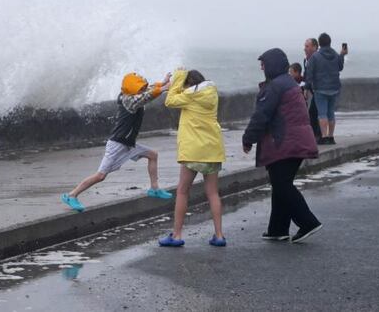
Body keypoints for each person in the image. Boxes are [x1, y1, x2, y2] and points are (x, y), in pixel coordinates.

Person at [61, 72, 173, 212]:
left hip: (128, 143)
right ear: (132, 89)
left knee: (153, 155)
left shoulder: (133, 94)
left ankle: (154, 189)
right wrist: (163, 89)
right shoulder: (129, 100)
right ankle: (71, 195)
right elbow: (146, 97)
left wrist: (162, 83)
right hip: (117, 144)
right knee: (100, 175)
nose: (143, 89)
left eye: (143, 87)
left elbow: (148, 90)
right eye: (140, 88)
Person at [242, 48, 321, 243]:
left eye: (264, 64)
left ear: (272, 65)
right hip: (296, 140)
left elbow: (261, 116)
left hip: (284, 141)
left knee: (282, 184)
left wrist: (248, 139)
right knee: (280, 184)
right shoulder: (288, 83)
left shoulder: (274, 87)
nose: (262, 67)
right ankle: (278, 229)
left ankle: (307, 221)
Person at [159, 69, 226, 247]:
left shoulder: (190, 95)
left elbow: (170, 100)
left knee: (182, 191)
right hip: (212, 149)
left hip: (194, 151)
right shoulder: (211, 93)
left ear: (188, 84)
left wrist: (178, 77)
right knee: (213, 193)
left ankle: (177, 235)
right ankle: (219, 235)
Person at [305, 33, 346, 145]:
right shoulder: (335, 54)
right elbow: (340, 67)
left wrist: (307, 88)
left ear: (319, 43)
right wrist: (342, 55)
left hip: (320, 89)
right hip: (334, 88)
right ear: (329, 42)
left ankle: (324, 136)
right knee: (331, 113)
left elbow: (309, 74)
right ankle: (331, 137)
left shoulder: (315, 57)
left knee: (322, 114)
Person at [302, 38, 321, 140]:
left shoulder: (319, 58)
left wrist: (306, 87)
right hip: (313, 89)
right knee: (314, 112)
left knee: (314, 113)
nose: (304, 49)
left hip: (319, 89)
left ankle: (318, 136)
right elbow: (307, 74)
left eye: (307, 46)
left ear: (314, 47)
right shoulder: (306, 59)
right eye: (305, 46)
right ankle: (317, 135)